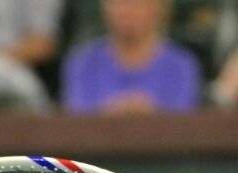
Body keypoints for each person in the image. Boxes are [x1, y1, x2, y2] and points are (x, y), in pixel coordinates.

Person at [62, 0, 202, 115]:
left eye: (135, 3)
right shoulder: (84, 63)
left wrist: (149, 113)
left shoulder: (181, 65)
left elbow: (182, 124)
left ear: (158, 9)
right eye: (117, 3)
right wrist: (115, 113)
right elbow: (78, 122)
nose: (124, 12)